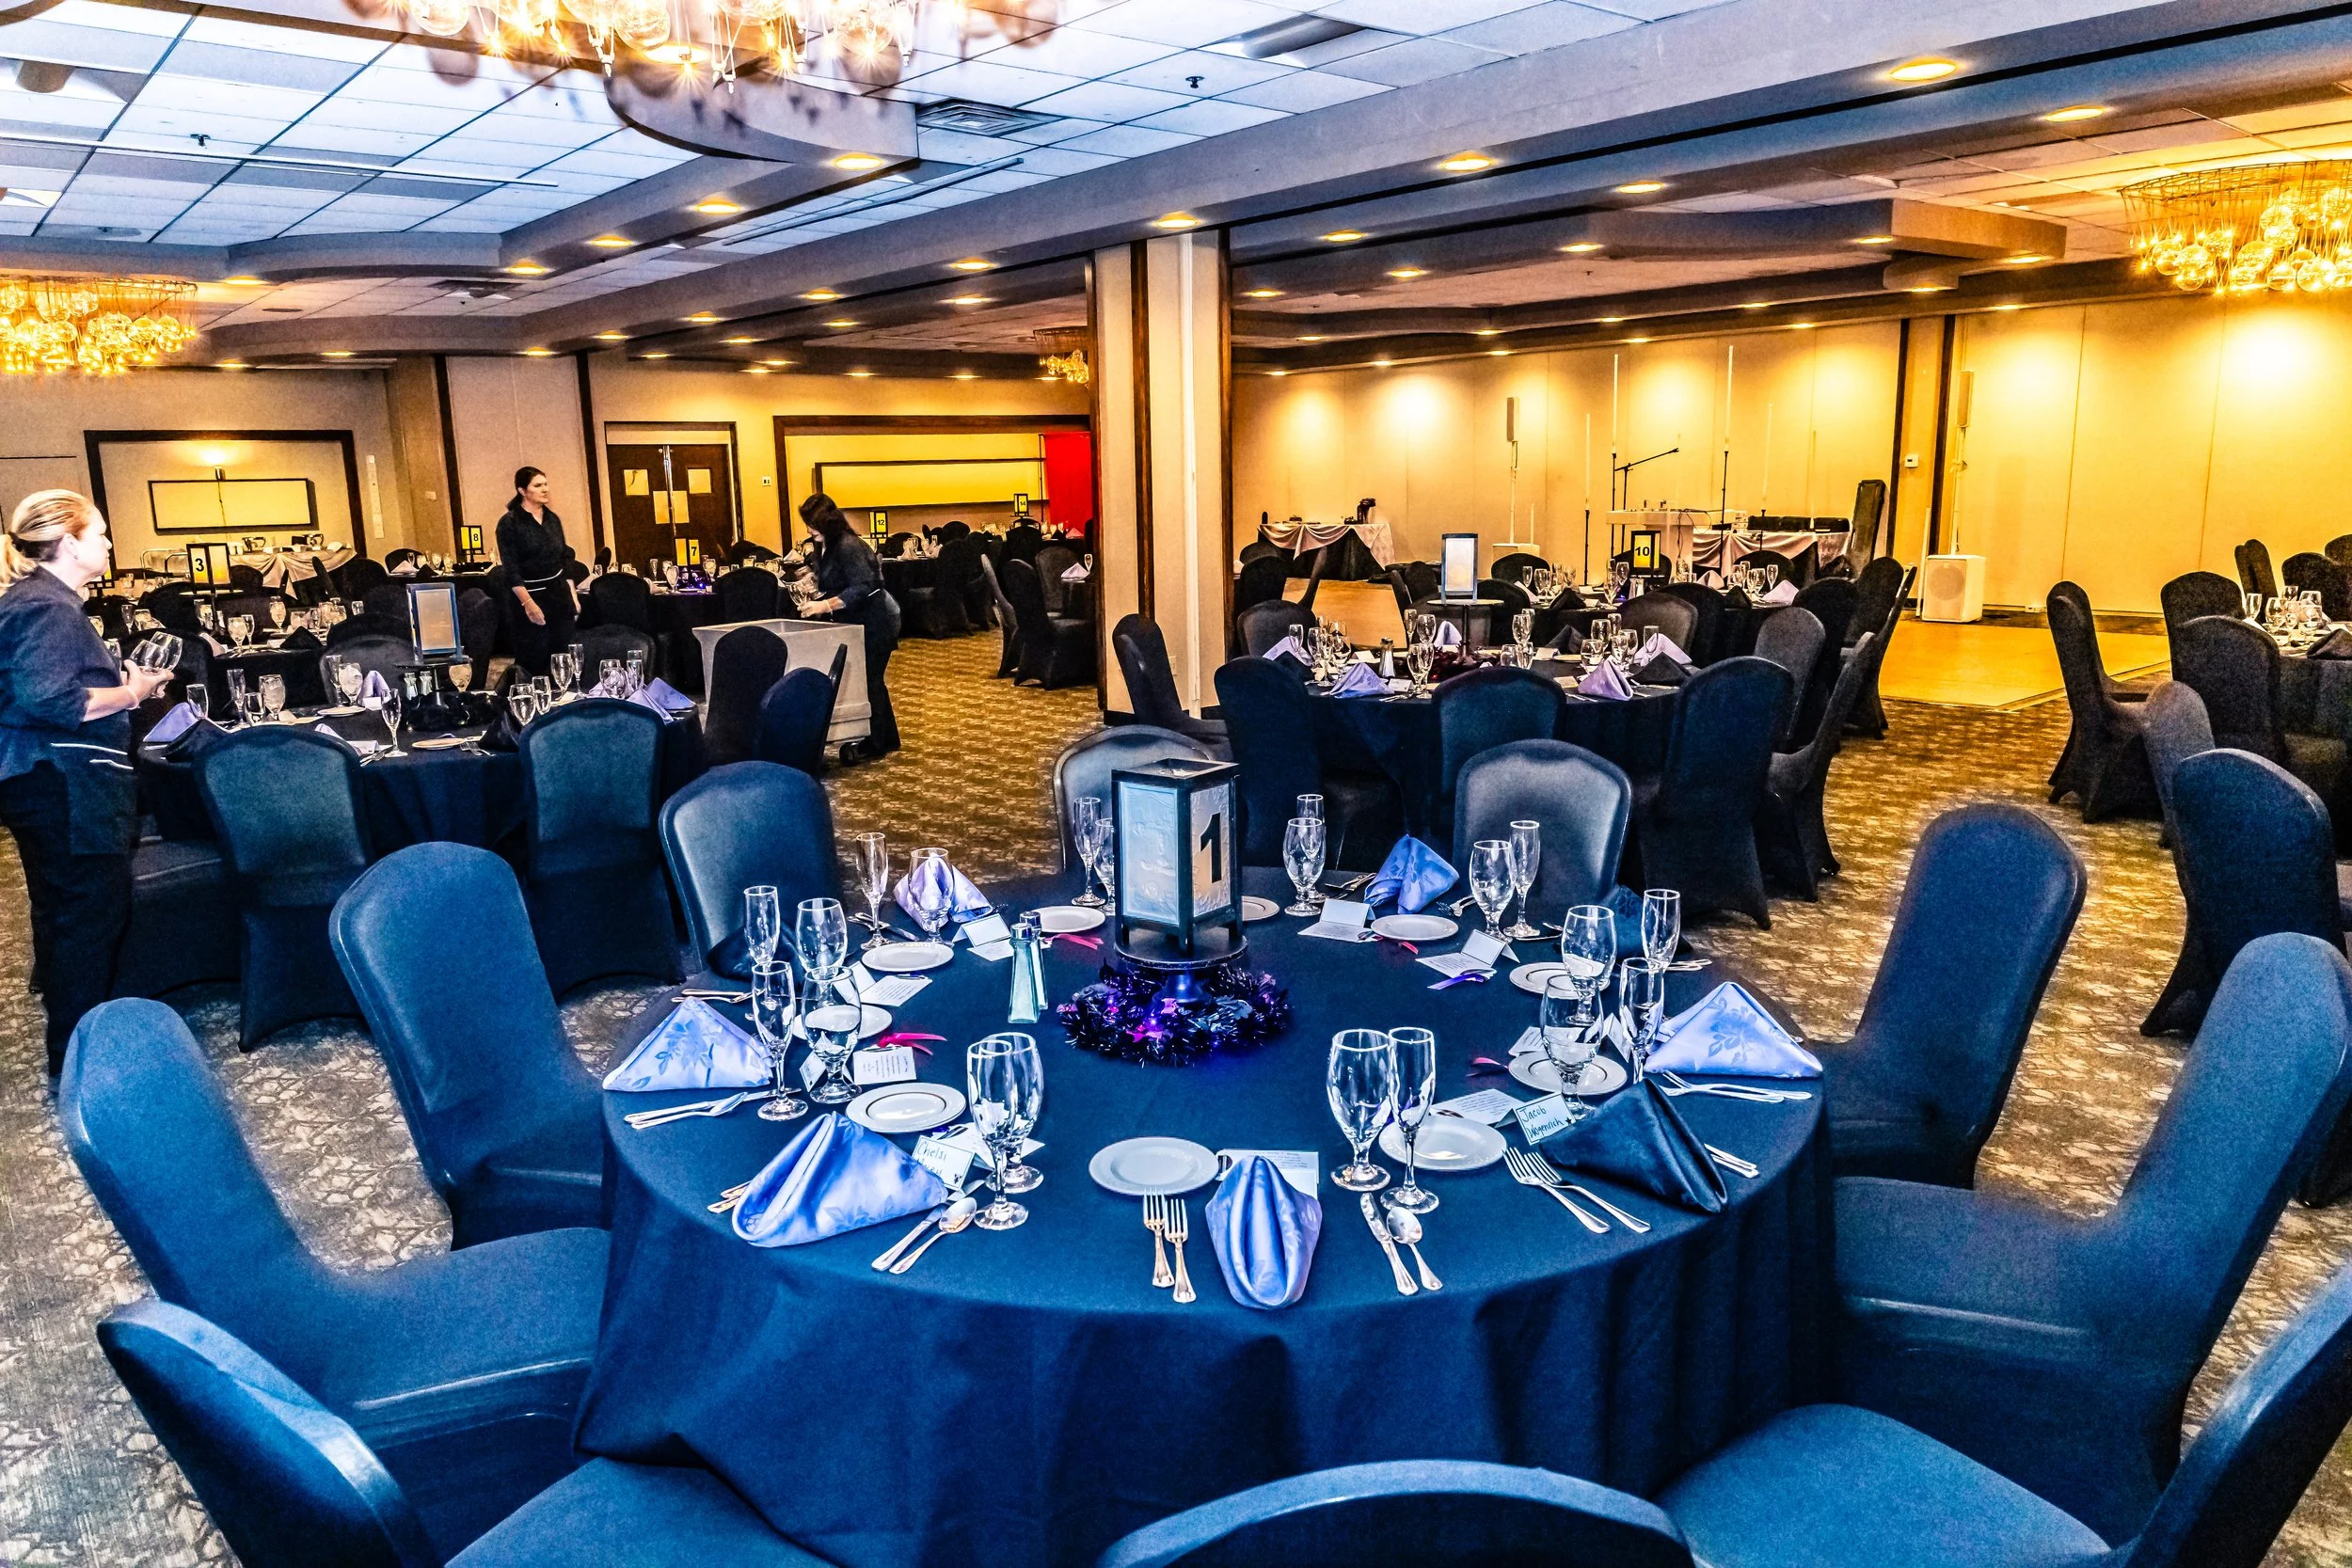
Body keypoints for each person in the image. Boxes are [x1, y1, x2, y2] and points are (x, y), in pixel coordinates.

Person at [0, 491, 174, 1074]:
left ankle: (72, 1053)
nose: (107, 542)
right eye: (99, 532)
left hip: (42, 779)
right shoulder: (46, 608)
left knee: (64, 913)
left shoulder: (38, 602)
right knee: (87, 916)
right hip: (62, 782)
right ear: (70, 542)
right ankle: (81, 1063)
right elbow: (49, 699)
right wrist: (133, 692)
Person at [798, 493, 901, 758]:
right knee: (871, 680)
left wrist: (825, 605)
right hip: (859, 621)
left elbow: (864, 586)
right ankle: (886, 738)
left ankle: (877, 743)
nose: (809, 529)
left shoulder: (848, 545)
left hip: (876, 620)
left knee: (870, 679)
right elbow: (837, 579)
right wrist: (814, 583)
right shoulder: (826, 544)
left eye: (812, 523)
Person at [495, 467, 578, 675]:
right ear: (523, 491)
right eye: (538, 485)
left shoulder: (552, 519)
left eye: (546, 484)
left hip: (558, 594)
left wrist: (573, 597)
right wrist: (528, 604)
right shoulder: (510, 523)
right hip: (529, 596)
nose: (545, 490)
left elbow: (564, 559)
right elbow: (511, 569)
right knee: (534, 656)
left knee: (562, 657)